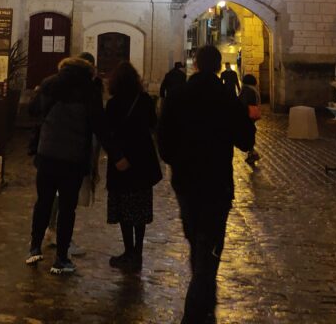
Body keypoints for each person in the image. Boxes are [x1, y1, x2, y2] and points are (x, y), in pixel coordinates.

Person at [158, 44, 254, 324]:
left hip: (186, 181)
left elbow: (163, 141)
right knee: (209, 243)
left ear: (196, 65)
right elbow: (245, 140)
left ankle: (204, 302)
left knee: (197, 239)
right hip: (216, 180)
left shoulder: (178, 95)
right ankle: (197, 308)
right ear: (218, 66)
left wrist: (177, 160)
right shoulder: (226, 97)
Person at [26, 55, 118, 275]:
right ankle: (61, 258)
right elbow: (99, 126)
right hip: (73, 157)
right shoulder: (89, 90)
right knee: (67, 208)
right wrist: (116, 155)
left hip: (47, 153)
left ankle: (34, 247)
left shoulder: (50, 83)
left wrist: (38, 94)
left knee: (43, 201)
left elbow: (32, 110)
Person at [105, 61, 162, 273]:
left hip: (122, 161)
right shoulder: (145, 100)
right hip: (142, 160)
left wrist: (117, 156)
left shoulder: (113, 104)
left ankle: (129, 251)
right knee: (140, 209)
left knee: (124, 209)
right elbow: (153, 124)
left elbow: (108, 133)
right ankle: (137, 252)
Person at [239, 73, 261, 165]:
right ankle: (251, 154)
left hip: (246, 115)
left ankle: (253, 154)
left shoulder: (246, 90)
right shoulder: (254, 90)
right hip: (251, 115)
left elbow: (243, 103)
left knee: (246, 135)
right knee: (249, 133)